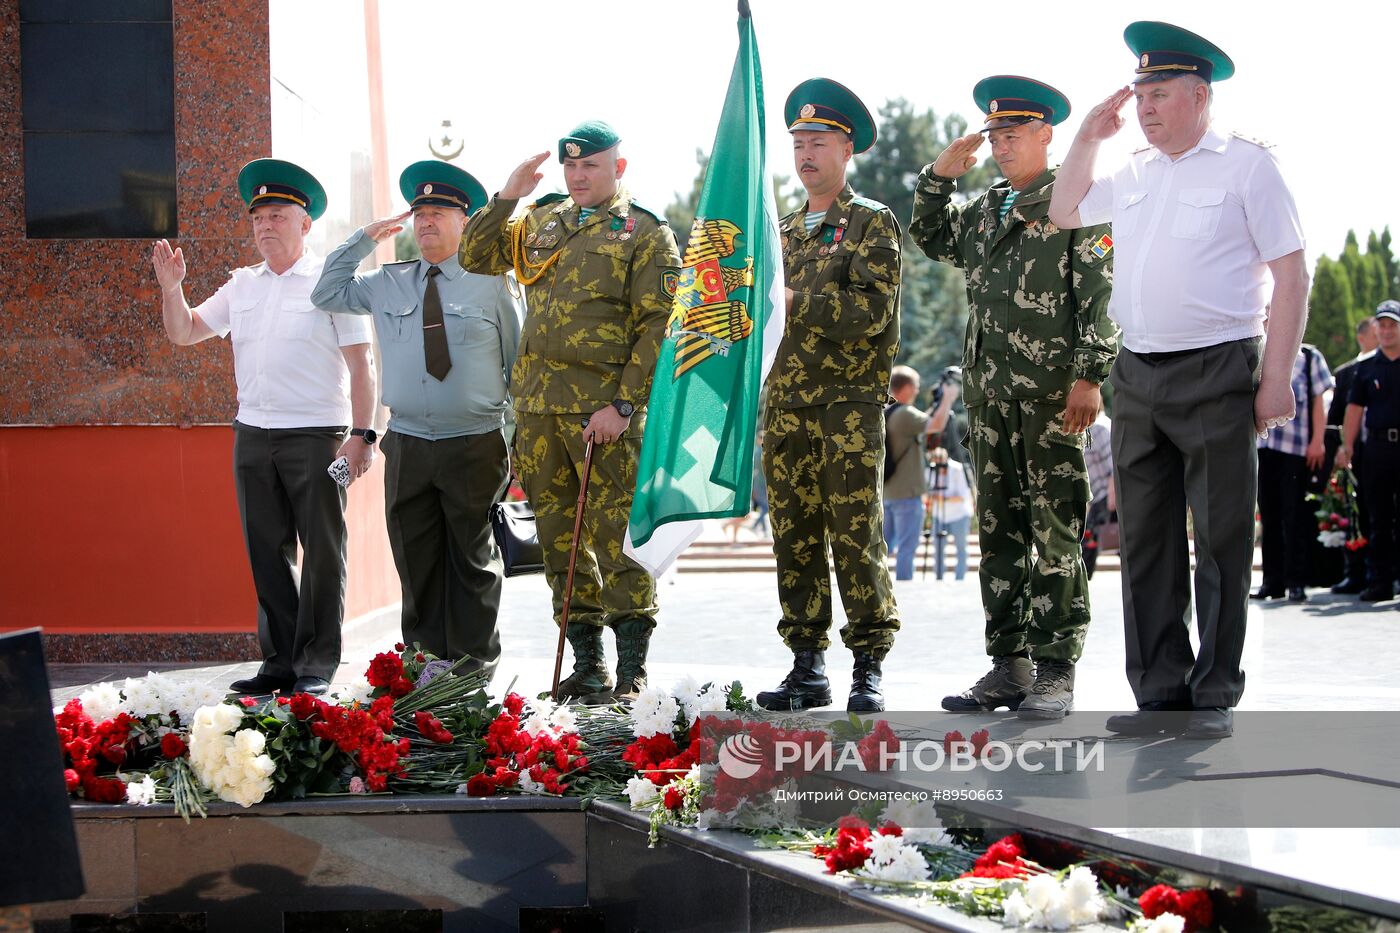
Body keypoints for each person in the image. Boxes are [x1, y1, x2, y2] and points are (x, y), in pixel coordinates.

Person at [1049, 21, 1309, 739]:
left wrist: (1277, 377)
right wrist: (1088, 137)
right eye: (1138, 94)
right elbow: (1063, 209)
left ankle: (1214, 690)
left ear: (1200, 95)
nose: (1145, 107)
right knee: (1148, 541)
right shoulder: (1132, 170)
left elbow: (1291, 273)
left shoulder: (1248, 167)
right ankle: (1159, 688)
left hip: (1219, 368)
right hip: (1136, 373)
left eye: (1158, 93)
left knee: (1221, 536)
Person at [911, 76, 1117, 720]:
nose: (1001, 146)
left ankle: (1056, 671)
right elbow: (932, 236)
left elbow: (1101, 292)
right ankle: (1010, 666)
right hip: (991, 398)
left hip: (1055, 396)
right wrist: (938, 176)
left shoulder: (1076, 199)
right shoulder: (983, 209)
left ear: (1045, 135)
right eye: (994, 135)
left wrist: (1091, 374)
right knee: (998, 534)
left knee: (1054, 531)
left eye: (1013, 134)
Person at [458, 122, 681, 703]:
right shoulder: (542, 223)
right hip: (537, 412)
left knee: (615, 539)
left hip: (600, 415)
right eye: (571, 167)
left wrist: (624, 404)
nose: (579, 177)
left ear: (618, 168)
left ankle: (632, 669)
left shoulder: (645, 233)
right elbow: (474, 254)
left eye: (591, 167)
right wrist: (506, 196)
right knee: (559, 540)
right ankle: (588, 665)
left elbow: (659, 324)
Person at [152, 159, 376, 696]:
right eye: (258, 218)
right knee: (266, 552)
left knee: (322, 553)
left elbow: (361, 365)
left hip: (318, 435)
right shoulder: (241, 286)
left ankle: (317, 663)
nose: (265, 226)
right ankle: (278, 662)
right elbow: (184, 333)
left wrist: (364, 436)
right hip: (253, 436)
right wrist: (171, 288)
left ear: (305, 224)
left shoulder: (331, 282)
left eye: (277, 215)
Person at [312, 161, 522, 675]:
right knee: (416, 558)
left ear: (465, 222)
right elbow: (326, 292)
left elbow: (520, 366)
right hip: (407, 443)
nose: (426, 222)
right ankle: (426, 665)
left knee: (472, 562)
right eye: (420, 213)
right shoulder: (388, 282)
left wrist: (516, 445)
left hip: (475, 441)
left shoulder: (492, 285)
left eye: (439, 212)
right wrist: (364, 238)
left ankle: (475, 669)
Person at [755, 78, 901, 713]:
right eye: (798, 144)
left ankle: (867, 663)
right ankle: (806, 663)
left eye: (818, 142)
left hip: (845, 404)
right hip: (785, 403)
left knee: (854, 531)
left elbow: (871, 311)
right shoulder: (778, 234)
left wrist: (794, 302)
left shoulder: (871, 223)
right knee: (795, 534)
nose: (806, 154)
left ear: (847, 151)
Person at [1253, 345, 1331, 602]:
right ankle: (1271, 583)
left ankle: (1296, 581)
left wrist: (1318, 440)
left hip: (1296, 449)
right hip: (1263, 447)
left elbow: (1318, 399)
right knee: (1269, 516)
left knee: (1295, 515)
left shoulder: (1309, 357)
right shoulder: (1259, 350)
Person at [1338, 301, 1400, 603]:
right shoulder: (1366, 368)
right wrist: (1347, 446)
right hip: (1376, 447)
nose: (1387, 331)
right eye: (1382, 325)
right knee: (1378, 517)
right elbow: (1354, 410)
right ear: (1375, 329)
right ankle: (1381, 582)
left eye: (1393, 325)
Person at [882, 365, 955, 581]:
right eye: (915, 386)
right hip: (907, 495)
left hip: (888, 493)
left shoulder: (889, 411)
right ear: (906, 387)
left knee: (887, 548)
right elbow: (936, 424)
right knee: (907, 548)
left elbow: (924, 421)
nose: (917, 390)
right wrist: (948, 398)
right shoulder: (905, 413)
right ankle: (905, 591)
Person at [1327, 315, 1380, 594]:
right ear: (1363, 337)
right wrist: (1342, 448)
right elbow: (1336, 417)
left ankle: (1385, 574)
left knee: (1384, 515)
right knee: (1354, 514)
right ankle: (1355, 572)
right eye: (1376, 331)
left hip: (1382, 451)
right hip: (1354, 455)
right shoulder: (1347, 373)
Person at [928, 447, 973, 581]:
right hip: (939, 515)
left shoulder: (957, 469)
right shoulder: (932, 470)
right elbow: (929, 493)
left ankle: (960, 578)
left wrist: (943, 499)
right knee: (938, 549)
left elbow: (962, 495)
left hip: (959, 515)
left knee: (961, 548)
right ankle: (939, 577)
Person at [1081, 410, 1116, 578]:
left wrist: (1112, 497)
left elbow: (1113, 464)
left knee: (1089, 542)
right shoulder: (1090, 428)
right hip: (1100, 497)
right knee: (1115, 543)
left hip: (1107, 496)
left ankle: (1082, 584)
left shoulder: (1100, 428)